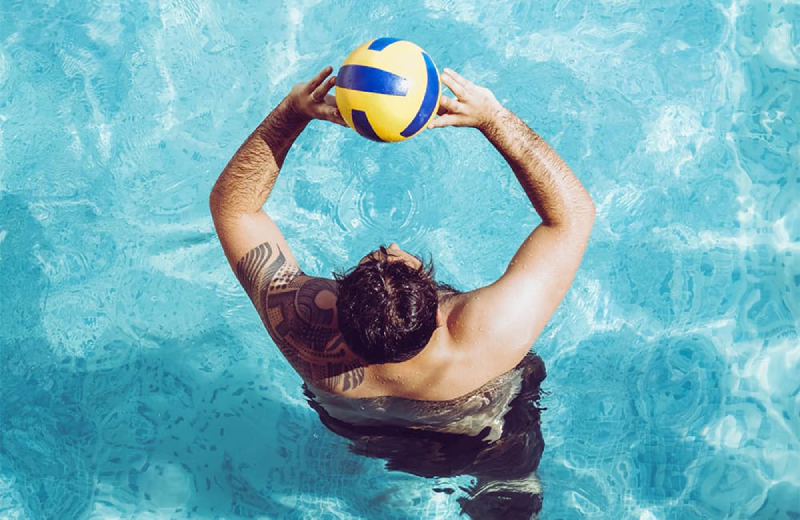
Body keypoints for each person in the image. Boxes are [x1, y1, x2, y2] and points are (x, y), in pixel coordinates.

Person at [209, 66, 595, 518]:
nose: (392, 245)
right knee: (512, 487)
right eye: (399, 258)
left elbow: (234, 208)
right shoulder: (485, 334)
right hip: (484, 431)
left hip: (364, 431)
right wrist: (492, 119)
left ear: (334, 305)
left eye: (380, 255)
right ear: (440, 315)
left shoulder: (301, 327)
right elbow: (572, 215)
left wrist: (291, 113)